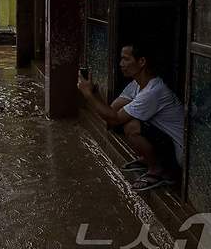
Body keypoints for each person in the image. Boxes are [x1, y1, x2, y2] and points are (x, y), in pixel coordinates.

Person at [77, 42, 184, 192]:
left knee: (131, 126)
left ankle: (158, 170)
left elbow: (114, 118)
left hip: (179, 152)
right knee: (129, 121)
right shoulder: (137, 84)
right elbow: (112, 110)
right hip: (165, 141)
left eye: (126, 59)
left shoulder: (154, 91)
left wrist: (88, 95)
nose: (121, 64)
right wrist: (94, 92)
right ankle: (152, 159)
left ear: (141, 62)